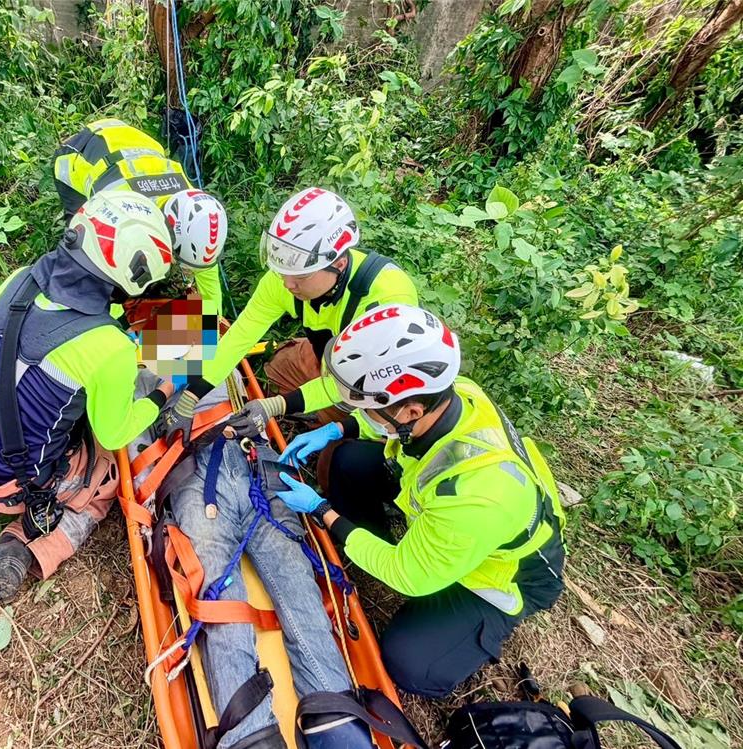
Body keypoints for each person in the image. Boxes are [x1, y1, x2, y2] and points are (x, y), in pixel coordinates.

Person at [273, 304, 566, 698]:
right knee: (347, 460)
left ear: (413, 410)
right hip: (447, 509)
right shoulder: (453, 394)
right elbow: (385, 421)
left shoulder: (477, 496)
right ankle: (362, 545)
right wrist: (336, 428)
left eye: (368, 408)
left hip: (502, 575)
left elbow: (407, 575)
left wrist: (324, 512)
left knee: (409, 664)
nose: (363, 413)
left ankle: (466, 628)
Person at [0, 191, 177, 610]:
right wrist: (164, 390)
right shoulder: (110, 348)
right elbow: (116, 431)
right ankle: (20, 552)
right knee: (101, 489)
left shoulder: (21, 278)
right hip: (7, 484)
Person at [131, 370, 376, 749]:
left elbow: (211, 340)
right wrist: (155, 495)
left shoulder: (219, 353)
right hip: (193, 476)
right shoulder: (142, 379)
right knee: (220, 602)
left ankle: (336, 722)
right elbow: (137, 446)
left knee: (297, 583)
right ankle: (251, 737)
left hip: (255, 459)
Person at [161, 187, 419, 445]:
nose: (287, 285)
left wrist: (275, 406)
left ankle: (332, 424)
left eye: (300, 277)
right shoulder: (287, 276)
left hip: (373, 386)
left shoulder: (386, 300)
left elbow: (352, 383)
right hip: (328, 356)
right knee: (276, 370)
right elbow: (240, 336)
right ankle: (308, 396)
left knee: (338, 463)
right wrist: (191, 397)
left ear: (338, 264)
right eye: (283, 272)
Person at [53, 118, 228, 314]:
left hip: (131, 144)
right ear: (168, 231)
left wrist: (212, 324)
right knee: (83, 247)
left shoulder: (195, 213)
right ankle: (65, 304)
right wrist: (119, 332)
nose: (186, 272)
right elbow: (107, 265)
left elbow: (210, 291)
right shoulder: (124, 210)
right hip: (79, 154)